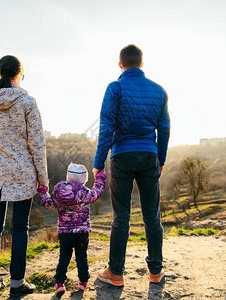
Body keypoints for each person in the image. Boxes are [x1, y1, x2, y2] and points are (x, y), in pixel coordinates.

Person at [93, 44, 170, 286]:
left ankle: (115, 273)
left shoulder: (114, 88)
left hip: (122, 157)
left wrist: (99, 163)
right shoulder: (158, 90)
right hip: (149, 156)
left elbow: (106, 127)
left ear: (120, 64)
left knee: (121, 217)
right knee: (152, 216)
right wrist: (161, 160)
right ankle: (156, 272)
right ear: (141, 63)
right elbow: (165, 129)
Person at [0, 55, 48, 297]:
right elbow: (37, 144)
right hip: (22, 172)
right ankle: (17, 284)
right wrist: (43, 179)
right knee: (20, 227)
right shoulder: (27, 101)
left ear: (0, 74)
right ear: (19, 75)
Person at [38, 163, 106, 294]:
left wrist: (42, 191)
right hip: (81, 232)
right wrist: (100, 177)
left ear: (68, 176)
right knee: (81, 256)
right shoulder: (84, 192)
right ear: (84, 179)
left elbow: (48, 204)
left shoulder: (58, 191)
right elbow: (97, 193)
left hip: (64, 233)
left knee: (64, 257)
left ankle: (59, 283)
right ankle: (83, 281)